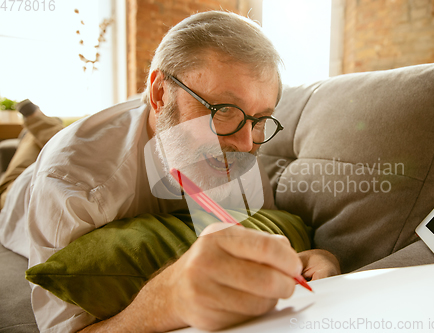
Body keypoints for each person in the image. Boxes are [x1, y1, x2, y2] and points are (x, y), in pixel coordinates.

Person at [0, 11, 340, 333]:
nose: (246, 142)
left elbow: (251, 230)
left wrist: (316, 257)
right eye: (222, 110)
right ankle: (37, 127)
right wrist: (164, 301)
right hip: (17, 196)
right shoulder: (72, 179)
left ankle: (41, 127)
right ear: (161, 93)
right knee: (23, 163)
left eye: (259, 119)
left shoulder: (240, 141)